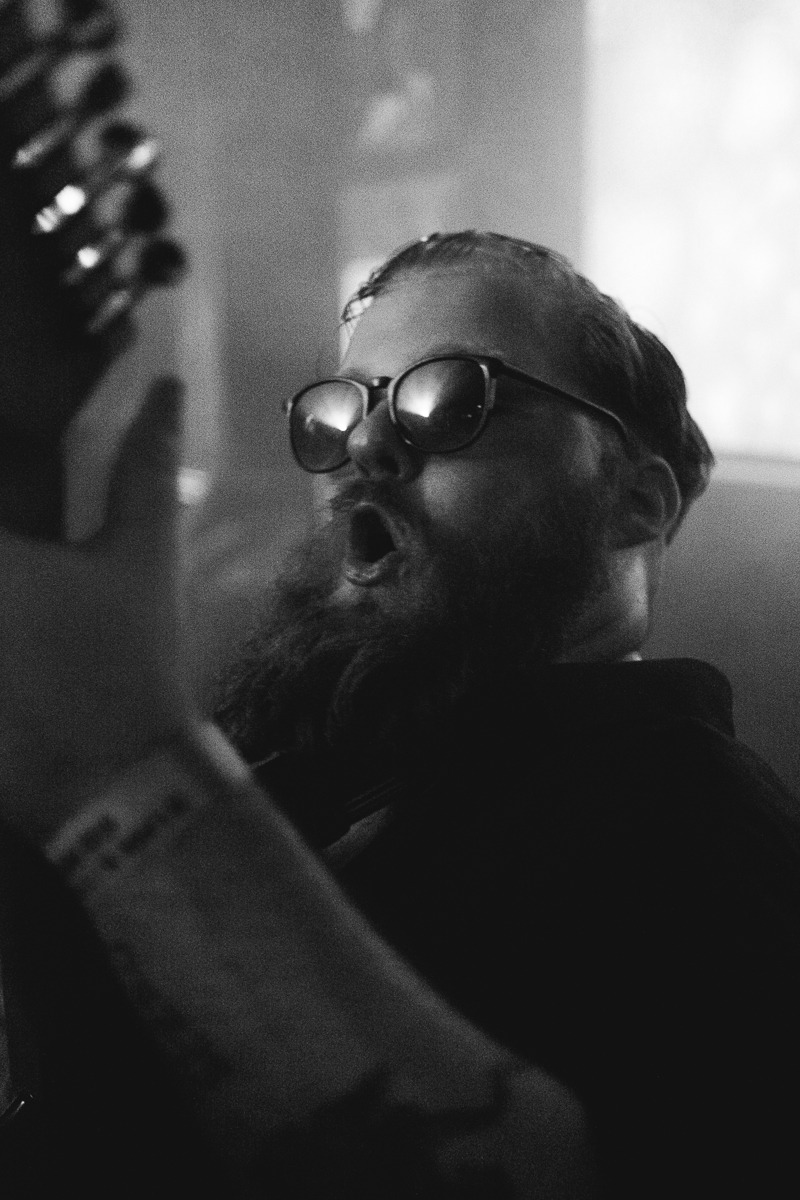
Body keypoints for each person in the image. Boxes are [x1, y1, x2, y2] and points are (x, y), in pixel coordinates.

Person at [0, 231, 798, 1199]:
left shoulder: (697, 823)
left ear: (633, 503)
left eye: (449, 400)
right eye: (335, 416)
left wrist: (128, 771)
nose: (363, 448)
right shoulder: (319, 780)